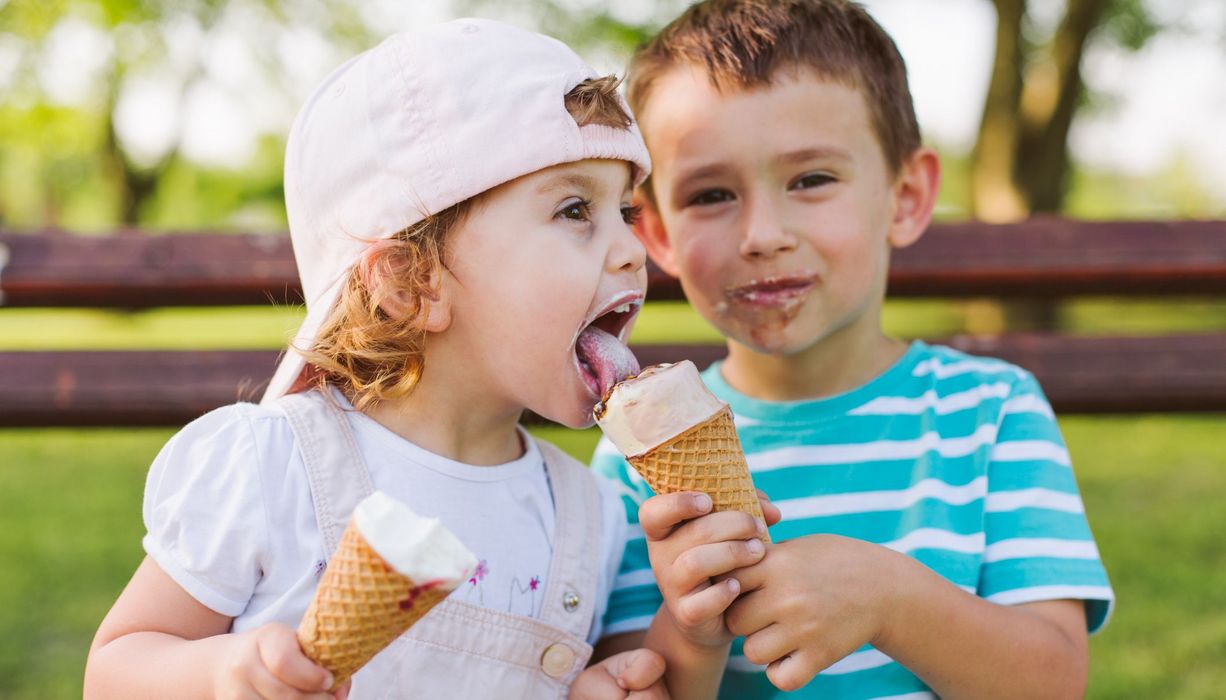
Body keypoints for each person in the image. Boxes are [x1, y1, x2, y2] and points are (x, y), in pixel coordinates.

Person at [84, 18, 768, 700]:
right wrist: (224, 673)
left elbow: (646, 685)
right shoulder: (271, 469)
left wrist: (689, 633)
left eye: (623, 209)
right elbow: (114, 670)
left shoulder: (589, 513)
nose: (630, 251)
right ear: (413, 283)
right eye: (572, 210)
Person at [591, 1, 1115, 698]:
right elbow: (632, 680)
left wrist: (892, 600)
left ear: (904, 197)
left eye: (811, 180)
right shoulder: (639, 459)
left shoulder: (991, 415)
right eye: (711, 194)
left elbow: (1054, 684)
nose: (763, 234)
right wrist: (689, 631)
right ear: (658, 235)